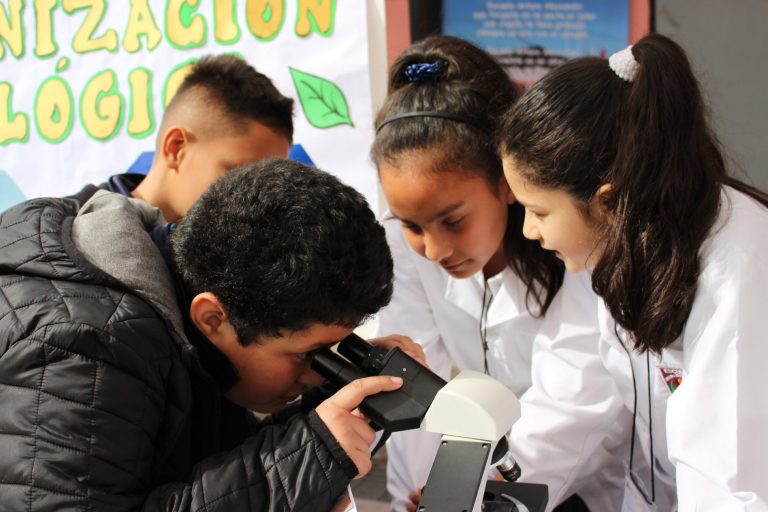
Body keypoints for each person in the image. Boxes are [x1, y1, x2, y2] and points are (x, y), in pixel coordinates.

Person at [0, 158, 419, 511]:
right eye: (308, 354)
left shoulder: (181, 312)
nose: (316, 373)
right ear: (213, 318)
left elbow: (200, 476)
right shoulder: (85, 347)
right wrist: (309, 458)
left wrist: (340, 410)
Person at [500, 33, 768, 510]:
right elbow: (573, 394)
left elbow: (730, 478)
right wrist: (498, 494)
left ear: (608, 200)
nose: (529, 231)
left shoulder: (738, 268)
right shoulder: (615, 249)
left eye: (538, 211)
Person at [370, 35, 611, 511]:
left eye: (454, 220)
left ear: (505, 182)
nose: (435, 249)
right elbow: (416, 388)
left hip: (589, 483)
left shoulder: (575, 250)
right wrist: (419, 498)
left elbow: (571, 404)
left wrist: (474, 497)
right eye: (413, 225)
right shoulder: (406, 249)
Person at [75, 53, 293, 220]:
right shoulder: (61, 236)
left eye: (268, 185)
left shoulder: (251, 260)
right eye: (240, 177)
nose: (257, 201)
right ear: (176, 147)